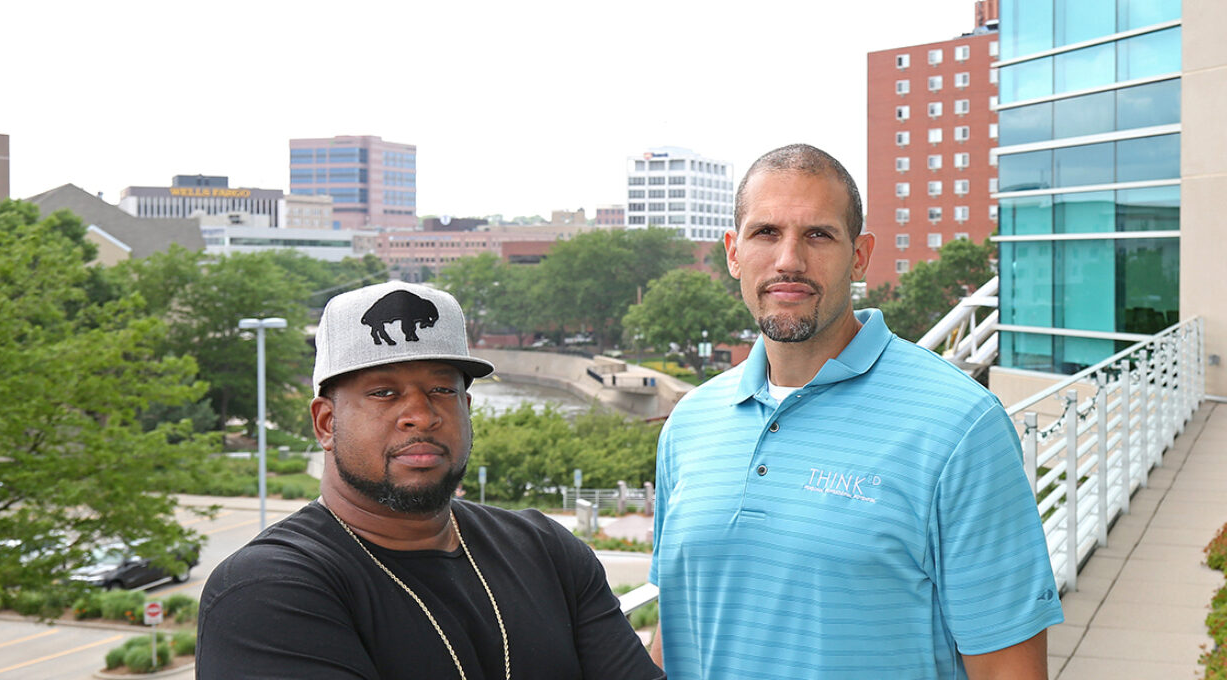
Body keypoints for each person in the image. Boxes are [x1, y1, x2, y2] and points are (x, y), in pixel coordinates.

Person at [648, 144, 1063, 679]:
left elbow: (1011, 669)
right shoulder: (690, 424)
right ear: (733, 252)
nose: (789, 261)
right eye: (765, 233)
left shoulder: (961, 426)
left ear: (860, 255)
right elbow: (679, 622)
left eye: (818, 234)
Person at [198, 281, 663, 679]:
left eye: (442, 389)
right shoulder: (266, 590)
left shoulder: (547, 551)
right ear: (325, 423)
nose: (421, 415)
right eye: (384, 392)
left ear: (466, 408)